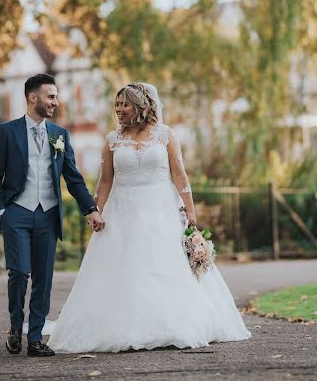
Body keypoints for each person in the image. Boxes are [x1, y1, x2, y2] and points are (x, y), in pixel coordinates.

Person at [47, 82, 250, 353]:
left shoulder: (166, 136)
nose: (119, 109)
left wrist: (191, 214)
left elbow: (180, 176)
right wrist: (96, 211)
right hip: (123, 214)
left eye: (125, 104)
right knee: (126, 269)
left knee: (165, 268)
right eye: (117, 104)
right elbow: (105, 182)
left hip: (162, 211)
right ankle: (124, 327)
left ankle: (173, 324)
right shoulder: (112, 140)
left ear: (141, 106)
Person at [0, 73, 104, 357]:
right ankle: (16, 326)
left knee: (43, 277)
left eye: (56, 96)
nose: (56, 102)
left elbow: (73, 177)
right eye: (51, 96)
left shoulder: (59, 135)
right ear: (32, 97)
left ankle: (35, 337)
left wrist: (91, 208)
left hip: (48, 215)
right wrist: (0, 210)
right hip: (17, 213)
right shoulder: (6, 131)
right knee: (19, 271)